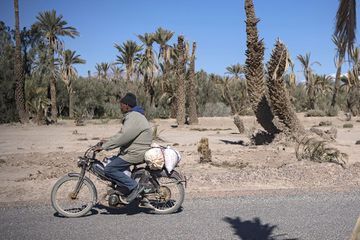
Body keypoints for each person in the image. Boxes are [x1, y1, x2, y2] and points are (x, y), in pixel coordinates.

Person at [95, 92, 153, 203]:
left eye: (121, 104)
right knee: (114, 163)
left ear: (127, 105)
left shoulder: (133, 117)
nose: (120, 107)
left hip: (135, 153)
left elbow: (124, 137)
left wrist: (105, 147)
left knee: (109, 169)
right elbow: (122, 134)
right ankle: (123, 188)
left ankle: (134, 187)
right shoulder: (134, 116)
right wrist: (107, 141)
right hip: (133, 150)